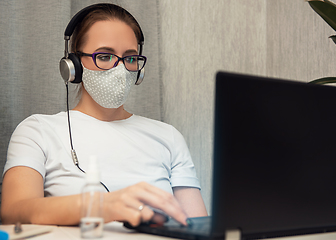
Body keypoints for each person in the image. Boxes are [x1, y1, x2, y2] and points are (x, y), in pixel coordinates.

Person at [1, 3, 207, 227]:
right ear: (74, 66)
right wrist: (103, 205)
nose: (119, 70)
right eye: (105, 56)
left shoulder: (169, 136)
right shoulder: (37, 130)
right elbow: (13, 211)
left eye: (129, 58)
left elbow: (198, 225)